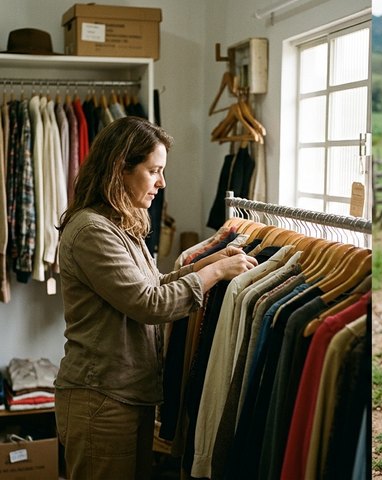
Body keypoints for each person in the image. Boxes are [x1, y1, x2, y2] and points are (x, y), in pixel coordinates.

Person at [54, 116, 258, 480]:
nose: (162, 182)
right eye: (154, 171)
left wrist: (208, 262)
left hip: (126, 393)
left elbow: (155, 284)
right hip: (100, 398)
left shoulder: (118, 225)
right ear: (121, 168)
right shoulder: (91, 231)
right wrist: (216, 273)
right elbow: (150, 303)